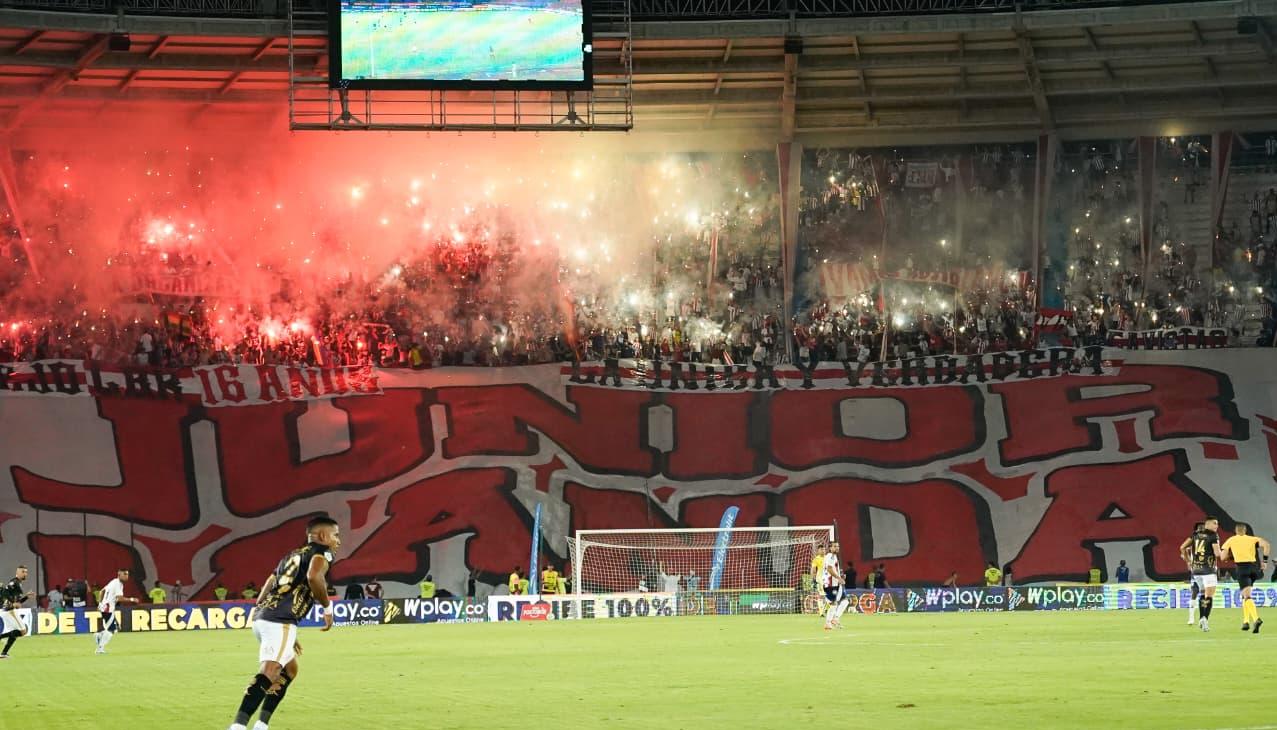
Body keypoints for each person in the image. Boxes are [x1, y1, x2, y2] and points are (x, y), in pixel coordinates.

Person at [227, 515, 341, 730]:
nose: (338, 541)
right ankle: (238, 726)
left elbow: (270, 582)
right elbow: (314, 577)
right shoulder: (322, 552)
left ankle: (261, 724)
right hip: (280, 620)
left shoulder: (291, 555)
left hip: (266, 617)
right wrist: (327, 608)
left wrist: (259, 609)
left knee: (290, 670)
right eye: (336, 535)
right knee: (269, 671)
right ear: (323, 536)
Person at [1222, 523, 1271, 633]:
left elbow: (1223, 556)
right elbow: (1267, 545)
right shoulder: (1253, 539)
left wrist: (1230, 556)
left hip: (1242, 568)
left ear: (1236, 530)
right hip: (1254, 568)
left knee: (1247, 596)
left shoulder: (1231, 540)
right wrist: (1265, 561)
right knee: (1245, 595)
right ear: (1245, 531)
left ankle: (1256, 619)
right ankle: (1245, 622)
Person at [1179, 517, 1223, 632]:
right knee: (1209, 596)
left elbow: (1182, 547)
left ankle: (1201, 618)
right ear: (1208, 524)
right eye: (1215, 523)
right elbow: (1217, 554)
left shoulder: (1195, 534)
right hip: (1208, 570)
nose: (1217, 526)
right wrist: (1227, 554)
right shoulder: (1213, 535)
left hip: (1196, 571)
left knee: (1203, 594)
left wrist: (1188, 562)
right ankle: (1204, 618)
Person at [94, 568, 140, 654]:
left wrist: (100, 603)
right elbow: (120, 598)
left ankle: (99, 635)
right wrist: (132, 599)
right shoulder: (118, 584)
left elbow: (101, 592)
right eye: (125, 574)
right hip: (108, 609)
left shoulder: (113, 581)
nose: (127, 576)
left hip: (105, 607)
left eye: (127, 574)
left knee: (116, 627)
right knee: (112, 629)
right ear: (119, 574)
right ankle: (100, 648)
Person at [1, 565, 35, 659]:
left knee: (15, 632)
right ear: (18, 572)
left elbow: (18, 603)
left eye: (26, 572)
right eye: (23, 572)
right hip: (8, 610)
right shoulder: (14, 582)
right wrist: (12, 603)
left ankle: (4, 653)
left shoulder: (18, 583)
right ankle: (3, 650)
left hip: (9, 610)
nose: (25, 574)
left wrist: (26, 597)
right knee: (23, 631)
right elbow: (4, 593)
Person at [822, 542, 848, 630]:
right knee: (833, 603)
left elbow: (833, 569)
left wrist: (840, 577)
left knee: (845, 601)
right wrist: (838, 578)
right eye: (835, 546)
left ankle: (835, 619)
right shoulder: (830, 556)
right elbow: (829, 569)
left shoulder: (834, 556)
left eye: (838, 546)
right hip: (830, 584)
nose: (837, 548)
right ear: (830, 548)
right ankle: (828, 623)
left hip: (836, 584)